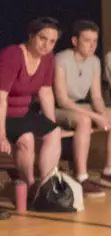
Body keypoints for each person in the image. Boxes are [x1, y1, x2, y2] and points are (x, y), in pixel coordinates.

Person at [53, 20, 111, 196]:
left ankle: (109, 172)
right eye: (87, 40)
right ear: (75, 41)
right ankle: (81, 176)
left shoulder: (95, 61)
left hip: (81, 105)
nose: (92, 45)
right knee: (84, 120)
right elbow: (62, 100)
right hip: (58, 109)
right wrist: (96, 117)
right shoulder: (61, 60)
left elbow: (96, 96)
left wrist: (103, 113)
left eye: (95, 41)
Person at [1, 17, 65, 203]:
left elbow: (45, 92)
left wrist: (51, 122)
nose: (46, 45)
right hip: (3, 113)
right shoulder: (12, 55)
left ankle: (45, 185)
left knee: (54, 132)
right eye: (42, 38)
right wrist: (2, 135)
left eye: (52, 41)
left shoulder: (48, 58)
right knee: (26, 138)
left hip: (22, 113)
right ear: (31, 36)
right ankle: (29, 187)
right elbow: (1, 97)